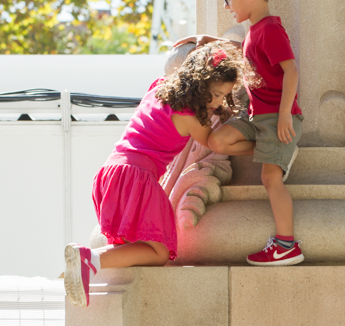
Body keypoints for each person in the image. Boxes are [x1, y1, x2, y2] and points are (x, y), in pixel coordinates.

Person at [63, 42, 243, 307]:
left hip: (111, 173)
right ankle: (89, 258)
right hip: (137, 176)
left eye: (223, 96)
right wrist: (260, 147)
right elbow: (216, 143)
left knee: (133, 246)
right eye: (215, 94)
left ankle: (87, 263)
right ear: (199, 83)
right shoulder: (191, 119)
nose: (218, 102)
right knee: (159, 253)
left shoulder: (159, 87)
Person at [178, 0, 304, 266]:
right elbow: (245, 54)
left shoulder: (271, 29)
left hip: (276, 118)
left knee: (271, 178)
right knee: (217, 141)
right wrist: (210, 41)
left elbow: (291, 71)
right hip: (255, 118)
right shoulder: (255, 31)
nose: (225, 5)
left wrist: (286, 113)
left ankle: (287, 245)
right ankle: (276, 152)